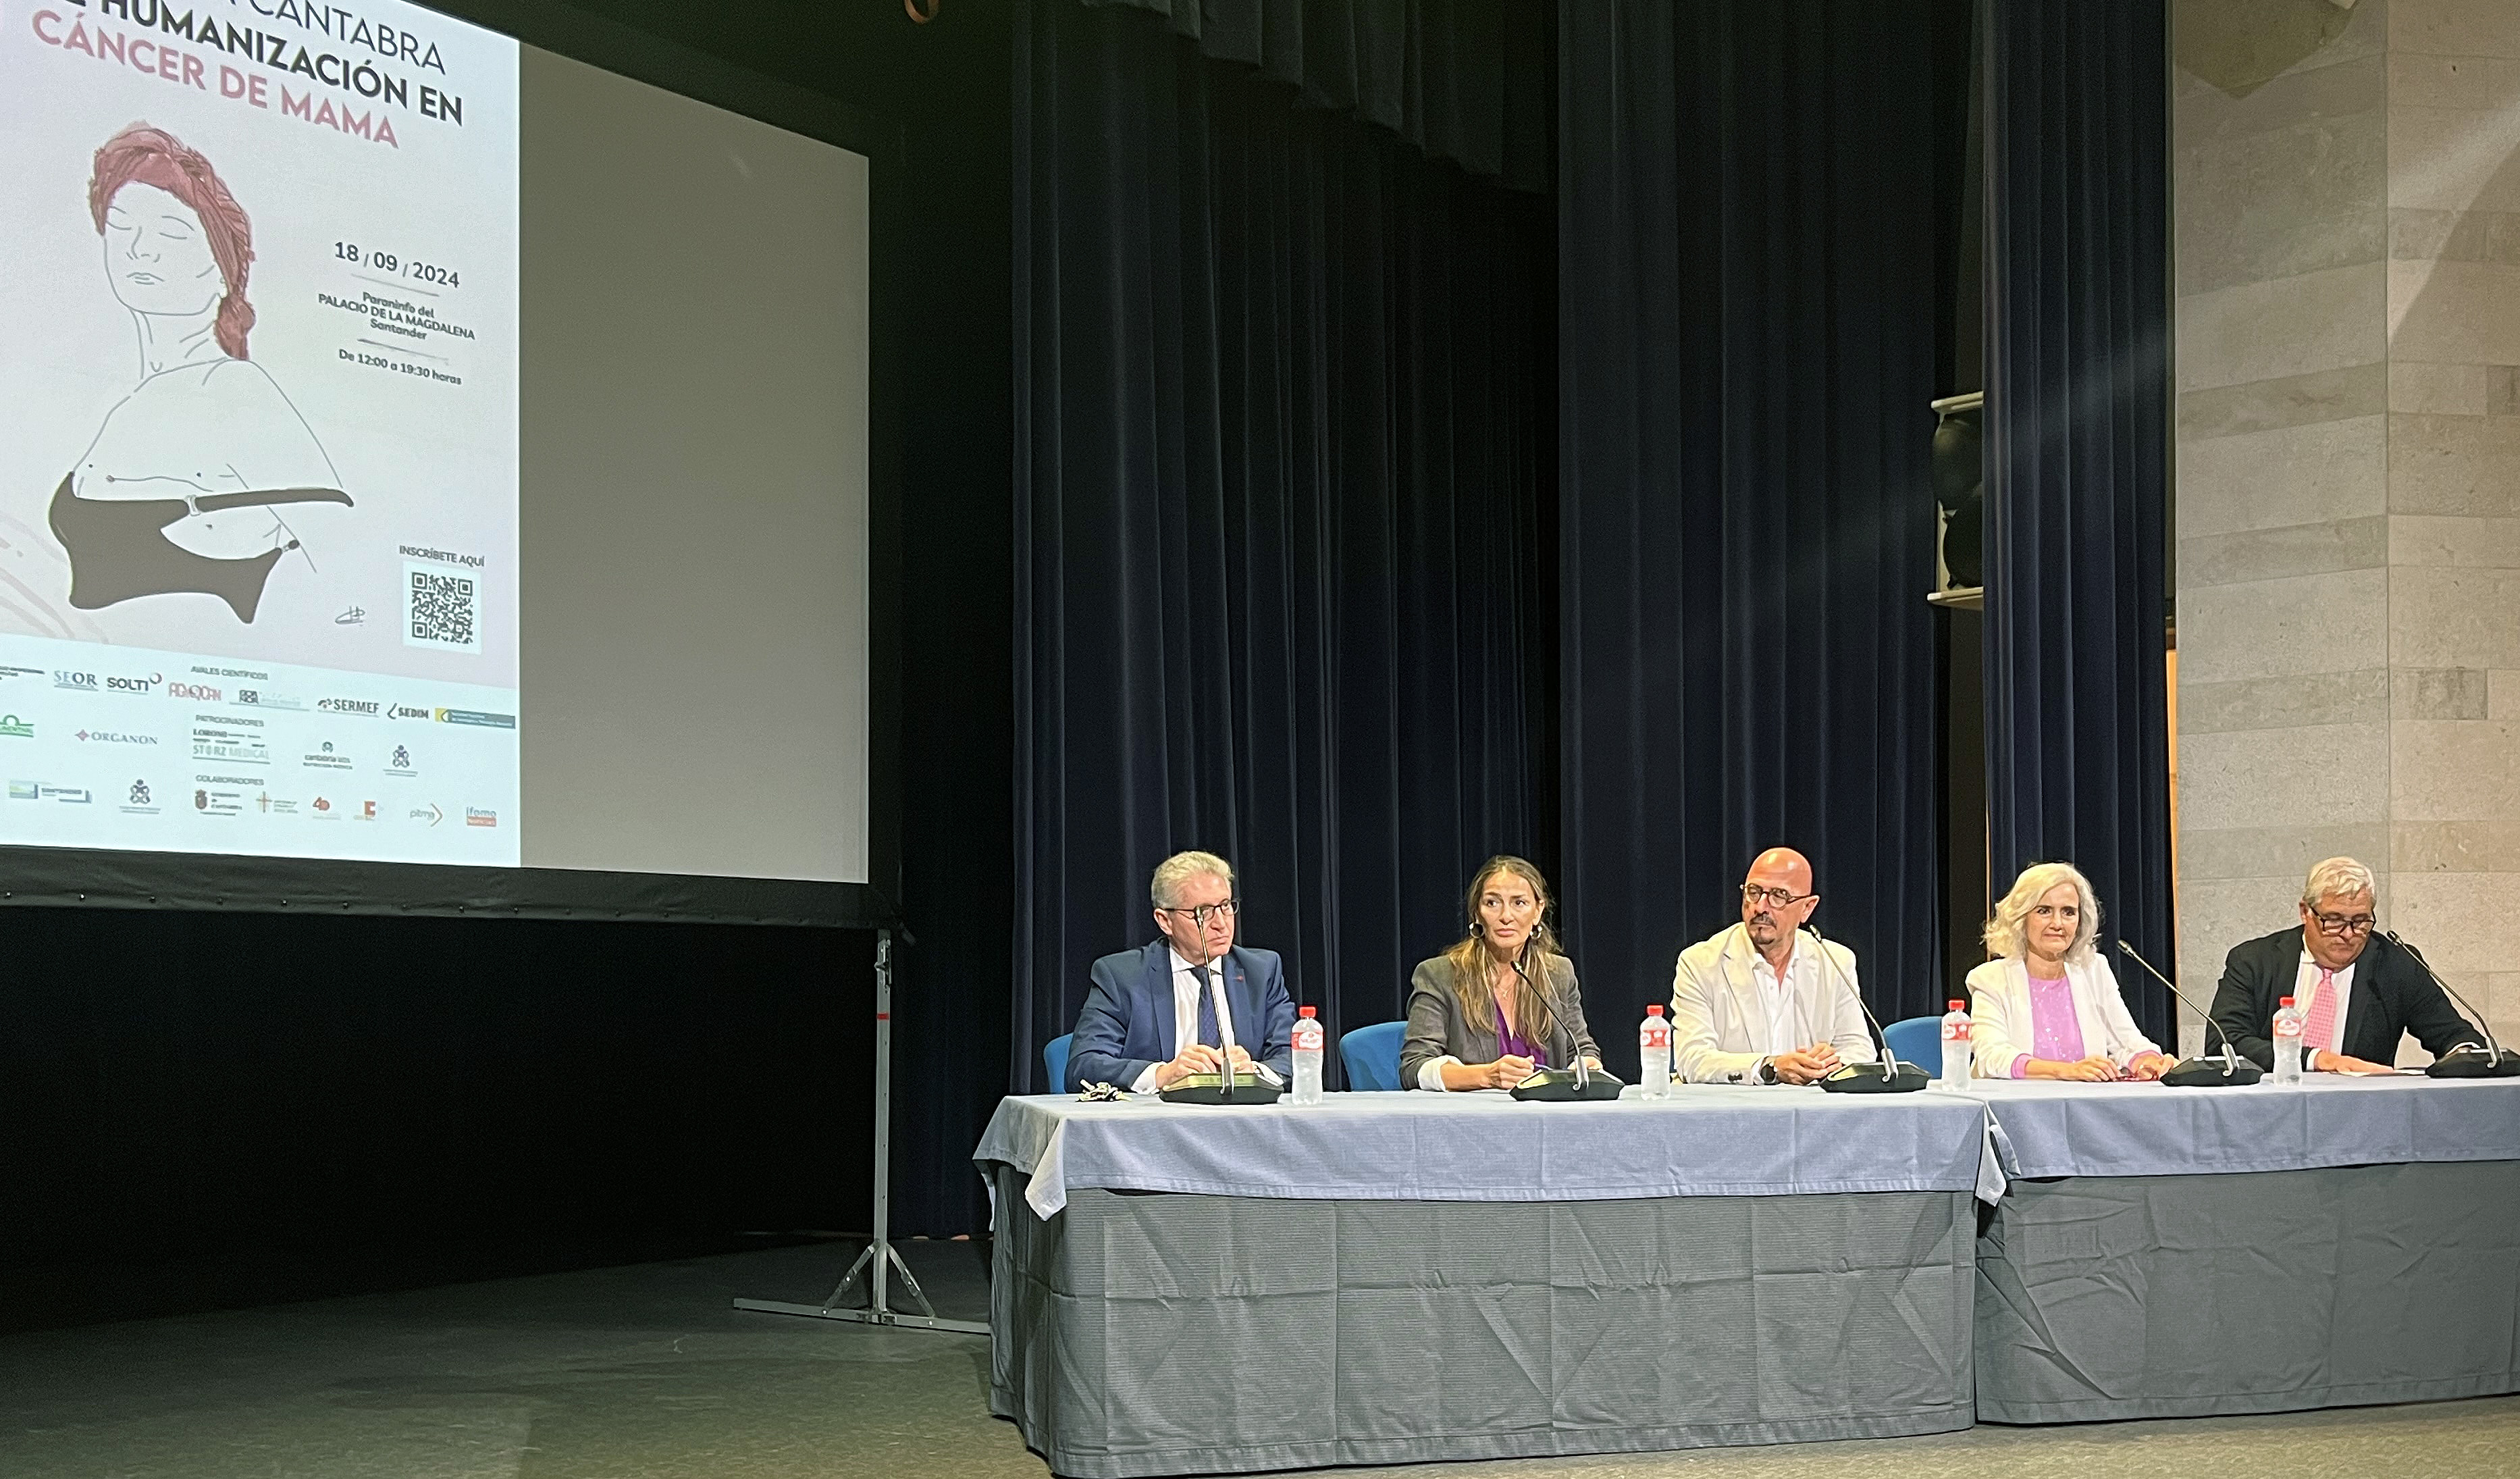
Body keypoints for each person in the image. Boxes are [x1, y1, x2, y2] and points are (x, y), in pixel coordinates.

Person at [55, 122, 348, 624]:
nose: (139, 250)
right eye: (122, 227)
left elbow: (345, 573)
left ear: (222, 271)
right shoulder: (128, 405)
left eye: (171, 233)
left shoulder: (233, 392)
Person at [2207, 856, 2484, 1074]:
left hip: (2362, 1116)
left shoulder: (2396, 964)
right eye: (2334, 920)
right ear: (2306, 912)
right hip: (2273, 1109)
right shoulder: (2255, 961)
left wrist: (2469, 1056)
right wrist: (2318, 1059)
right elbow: (2224, 1044)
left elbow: (2453, 1035)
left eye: (2361, 921)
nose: (2349, 934)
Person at [1065, 850, 1296, 1093]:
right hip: (1157, 1124)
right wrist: (1162, 1074)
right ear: (1165, 921)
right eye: (1203, 912)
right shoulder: (1121, 976)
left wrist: (1254, 1073)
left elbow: (1295, 1056)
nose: (1221, 923)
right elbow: (1084, 1066)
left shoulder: (1261, 971)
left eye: (1226, 906)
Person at [1669, 847, 1876, 1084]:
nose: (1760, 907)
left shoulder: (1836, 961)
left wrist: (1829, 1064)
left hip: (1811, 1111)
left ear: (1807, 908)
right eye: (1754, 892)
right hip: (1732, 1111)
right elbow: (1692, 1060)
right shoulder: (1700, 963)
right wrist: (1770, 1067)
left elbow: (1859, 1050)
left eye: (1779, 896)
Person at [1401, 856, 1601, 1090]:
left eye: (1519, 903)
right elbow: (1414, 1069)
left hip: (1548, 1116)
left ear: (1538, 911)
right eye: (1493, 903)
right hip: (1474, 1119)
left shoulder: (1558, 973)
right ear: (1477, 912)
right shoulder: (1439, 976)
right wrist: (1486, 1076)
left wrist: (1587, 1065)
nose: (1506, 916)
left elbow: (1581, 1049)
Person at [1965, 862, 2167, 1081]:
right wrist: (2066, 1070)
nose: (2058, 923)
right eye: (2044, 911)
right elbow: (1992, 1057)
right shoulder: (1990, 979)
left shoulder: (2094, 969)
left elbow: (2127, 1041)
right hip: (2015, 1107)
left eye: (2068, 912)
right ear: (2021, 919)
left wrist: (2152, 1062)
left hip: (2085, 1105)